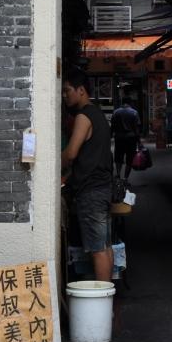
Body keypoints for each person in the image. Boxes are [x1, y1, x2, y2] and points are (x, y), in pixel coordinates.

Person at [61, 69, 114, 282]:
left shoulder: (83, 117)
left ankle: (102, 301)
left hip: (91, 191)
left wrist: (53, 165)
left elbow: (71, 153)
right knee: (105, 247)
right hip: (103, 188)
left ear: (81, 90)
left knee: (97, 250)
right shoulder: (98, 114)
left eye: (67, 90)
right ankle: (107, 298)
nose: (64, 95)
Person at [110, 96, 141, 186]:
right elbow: (136, 128)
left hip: (119, 138)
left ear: (122, 102)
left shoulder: (116, 112)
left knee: (118, 157)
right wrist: (138, 141)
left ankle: (118, 176)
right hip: (131, 138)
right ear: (130, 102)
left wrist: (110, 136)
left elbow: (112, 126)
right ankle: (125, 179)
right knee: (129, 159)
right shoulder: (134, 112)